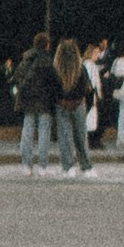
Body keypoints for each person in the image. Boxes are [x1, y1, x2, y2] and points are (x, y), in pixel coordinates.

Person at [50, 38, 95, 179]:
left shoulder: (56, 69)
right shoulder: (81, 69)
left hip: (61, 105)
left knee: (65, 138)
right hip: (78, 104)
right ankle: (86, 166)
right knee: (81, 137)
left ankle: (68, 167)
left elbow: (51, 90)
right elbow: (86, 89)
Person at [14, 36, 57, 175]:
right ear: (47, 45)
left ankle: (27, 165)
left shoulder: (26, 59)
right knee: (44, 133)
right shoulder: (47, 60)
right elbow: (54, 81)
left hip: (27, 101)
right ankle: (42, 166)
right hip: (44, 101)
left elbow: (17, 77)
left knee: (27, 132)